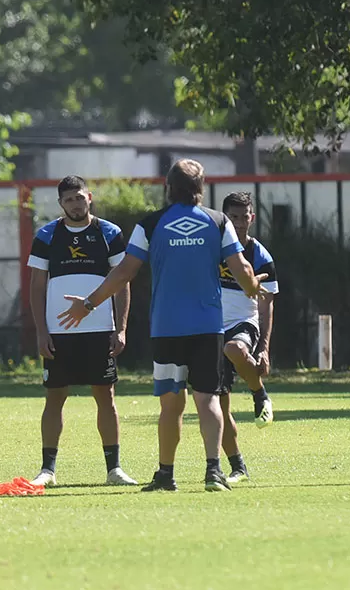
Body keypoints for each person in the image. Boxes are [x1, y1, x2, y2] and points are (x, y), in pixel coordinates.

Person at [57, 159, 264, 493]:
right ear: (201, 188)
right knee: (208, 399)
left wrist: (88, 304)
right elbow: (241, 270)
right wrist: (254, 287)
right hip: (209, 326)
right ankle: (214, 471)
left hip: (167, 328)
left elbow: (124, 272)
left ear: (168, 187)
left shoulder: (151, 225)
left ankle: (166, 474)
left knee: (170, 403)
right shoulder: (218, 221)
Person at [28, 175, 137, 488]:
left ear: (89, 197)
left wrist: (121, 327)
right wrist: (41, 331)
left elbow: (121, 282)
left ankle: (114, 469)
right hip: (59, 334)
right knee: (54, 398)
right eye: (68, 200)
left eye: (79, 197)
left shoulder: (109, 233)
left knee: (106, 396)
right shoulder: (47, 235)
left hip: (100, 330)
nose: (75, 204)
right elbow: (37, 286)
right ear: (61, 204)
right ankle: (47, 470)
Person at [216, 192, 279, 483]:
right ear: (225, 217)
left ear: (252, 218)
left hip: (244, 323)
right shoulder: (212, 249)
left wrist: (264, 350)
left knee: (235, 348)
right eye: (234, 217)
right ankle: (237, 466)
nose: (240, 223)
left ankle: (258, 392)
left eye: (245, 217)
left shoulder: (260, 256)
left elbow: (267, 305)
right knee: (219, 406)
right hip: (211, 328)